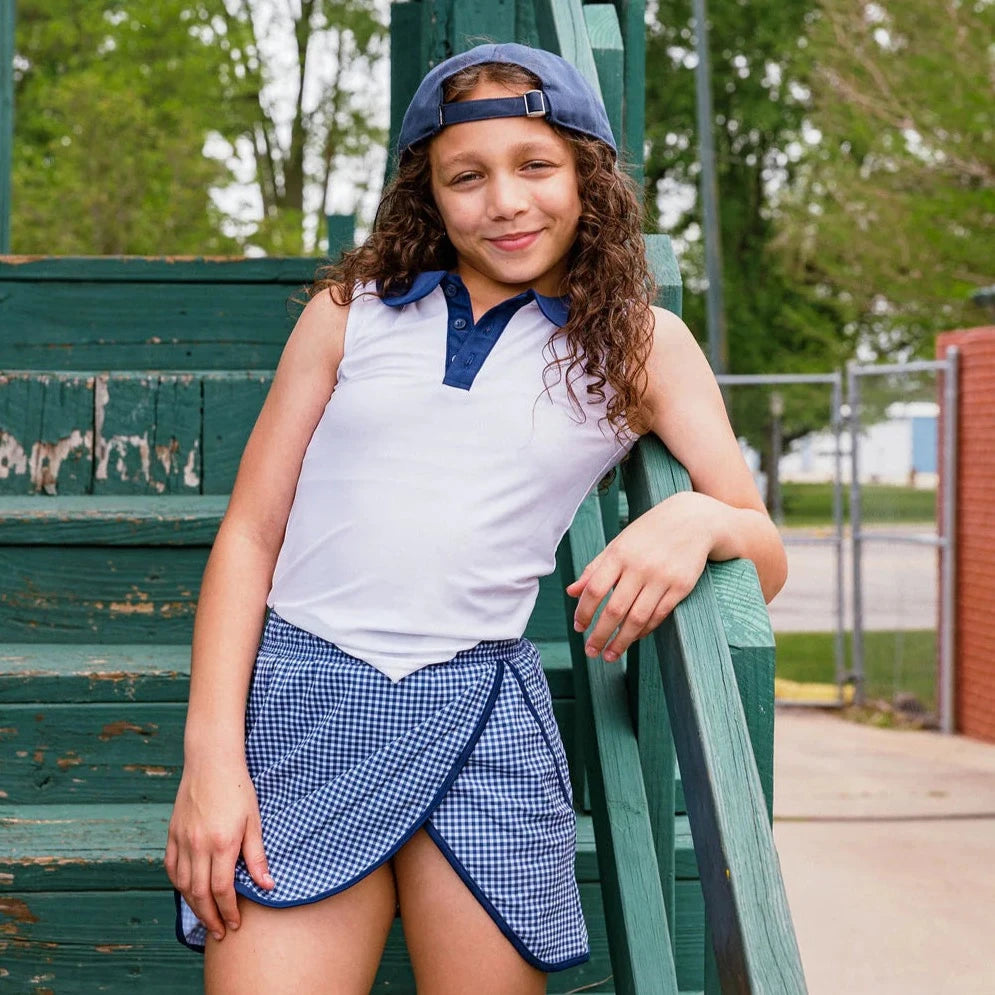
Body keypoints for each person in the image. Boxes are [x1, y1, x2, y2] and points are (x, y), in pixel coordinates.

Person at [165, 42, 787, 995]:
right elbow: (250, 534)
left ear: (587, 173)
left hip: (483, 715)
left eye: (535, 165)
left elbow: (763, 549)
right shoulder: (349, 312)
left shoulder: (641, 344)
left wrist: (698, 520)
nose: (505, 201)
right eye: (469, 176)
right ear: (430, 191)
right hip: (306, 701)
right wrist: (210, 763)